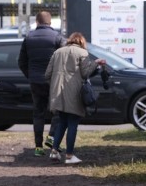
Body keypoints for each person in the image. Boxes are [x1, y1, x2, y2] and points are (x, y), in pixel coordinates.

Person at [45, 32, 106, 165]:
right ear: (82, 42)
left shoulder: (57, 52)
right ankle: (69, 155)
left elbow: (47, 74)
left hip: (57, 93)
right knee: (72, 123)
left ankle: (54, 152)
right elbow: (85, 73)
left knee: (62, 122)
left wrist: (55, 84)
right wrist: (95, 63)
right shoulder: (82, 53)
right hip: (74, 93)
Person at [18, 11, 65, 157]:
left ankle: (38, 147)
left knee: (38, 113)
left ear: (37, 22)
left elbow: (21, 62)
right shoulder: (57, 38)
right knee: (58, 111)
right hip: (53, 81)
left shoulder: (28, 38)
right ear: (50, 23)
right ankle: (51, 137)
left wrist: (31, 75)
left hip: (35, 81)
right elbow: (64, 59)